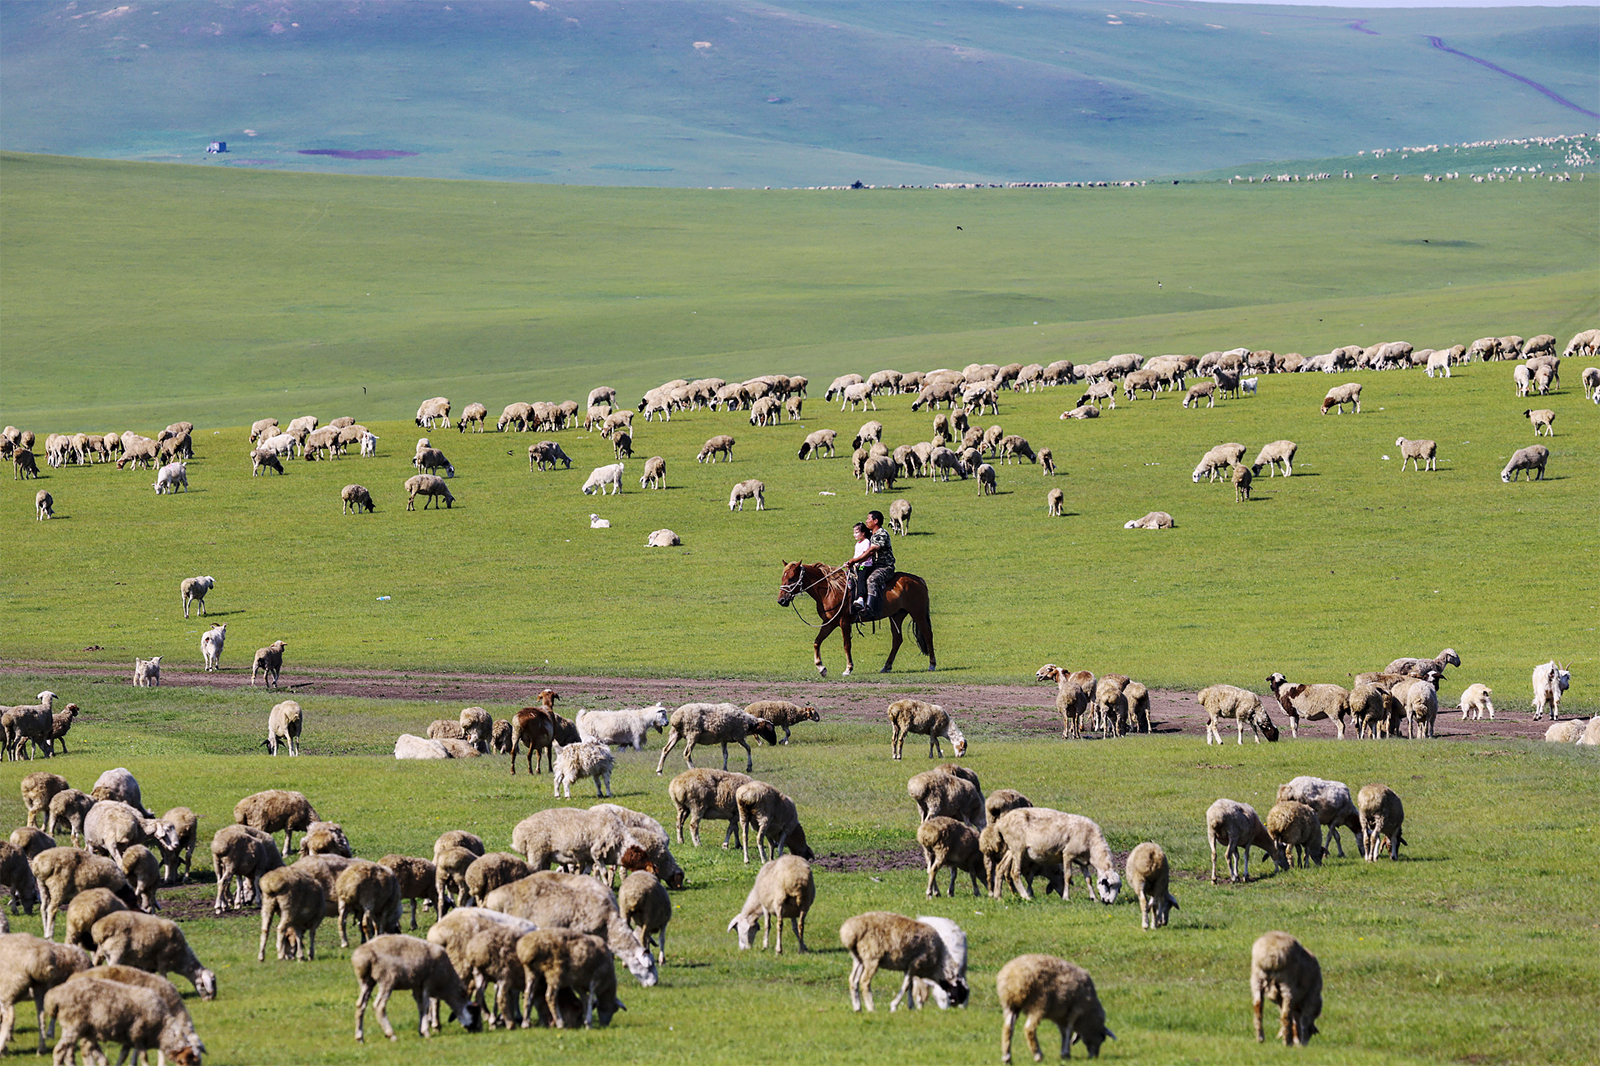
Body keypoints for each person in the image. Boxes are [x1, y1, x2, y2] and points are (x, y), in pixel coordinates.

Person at [847, 510, 896, 621]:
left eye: (869, 519)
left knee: (872, 580)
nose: (866, 521)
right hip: (873, 566)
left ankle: (869, 609)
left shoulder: (881, 534)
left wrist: (855, 560)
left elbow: (871, 551)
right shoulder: (871, 535)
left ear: (875, 521)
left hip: (885, 567)